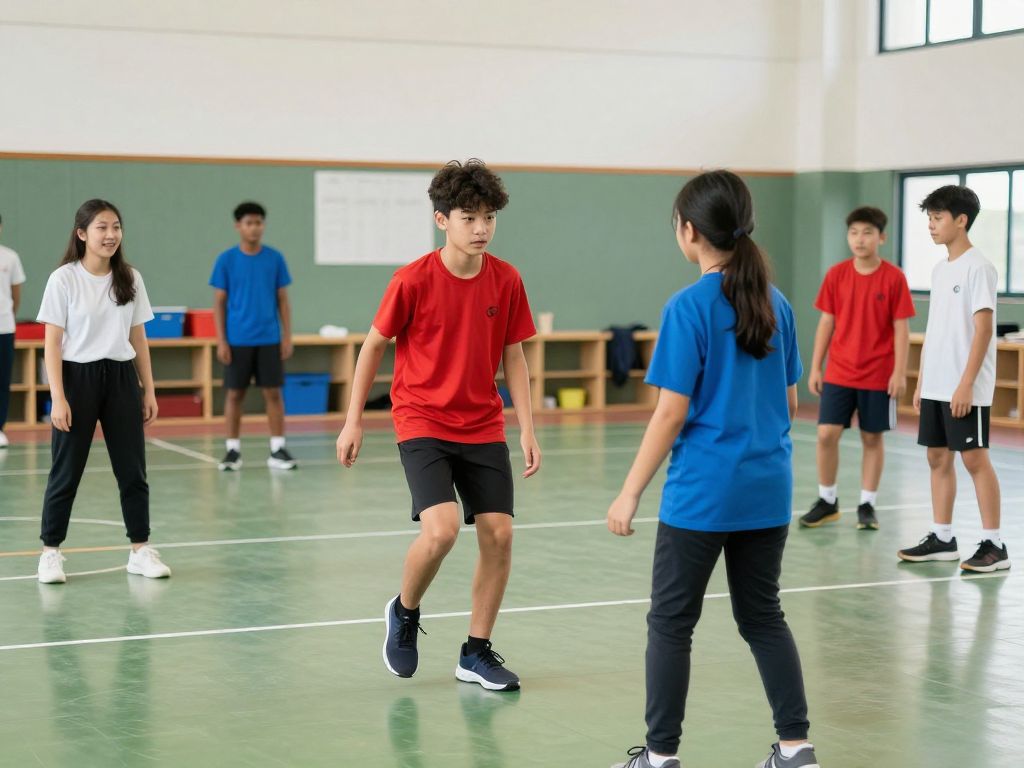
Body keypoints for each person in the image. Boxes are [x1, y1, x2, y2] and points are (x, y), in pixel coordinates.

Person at [607, 171, 819, 768]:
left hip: (702, 496)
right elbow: (790, 403)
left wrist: (628, 493)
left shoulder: (688, 307)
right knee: (764, 618)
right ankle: (796, 748)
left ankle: (660, 756)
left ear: (689, 231)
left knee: (671, 624)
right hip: (768, 491)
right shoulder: (777, 303)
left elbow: (670, 413)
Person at [336, 159, 541, 691]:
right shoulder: (412, 280)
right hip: (422, 419)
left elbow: (514, 355)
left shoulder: (507, 279)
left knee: (499, 534)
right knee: (443, 529)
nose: (481, 228)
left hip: (482, 423)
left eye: (488, 217)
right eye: (469, 217)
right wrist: (353, 421)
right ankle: (404, 611)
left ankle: (475, 653)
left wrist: (526, 427)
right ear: (442, 220)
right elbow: (373, 347)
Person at [35, 199, 171, 584]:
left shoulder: (130, 278)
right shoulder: (63, 279)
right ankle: (50, 552)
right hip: (77, 379)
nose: (111, 235)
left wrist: (148, 390)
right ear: (82, 234)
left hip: (121, 379)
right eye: (101, 228)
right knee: (66, 471)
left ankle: (140, 550)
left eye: (116, 227)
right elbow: (52, 344)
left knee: (132, 470)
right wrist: (58, 397)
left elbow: (138, 337)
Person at [897, 185, 1008, 573]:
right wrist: (923, 381)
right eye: (929, 218)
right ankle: (943, 538)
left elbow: (983, 330)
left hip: (965, 386)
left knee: (975, 458)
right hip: (936, 384)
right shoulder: (940, 270)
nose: (931, 225)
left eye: (938, 217)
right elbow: (935, 329)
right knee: (936, 457)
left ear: (961, 220)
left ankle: (995, 545)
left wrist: (966, 384)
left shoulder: (980, 267)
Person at [800, 206, 915, 530]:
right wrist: (816, 367)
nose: (859, 239)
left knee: (871, 438)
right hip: (839, 371)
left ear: (881, 237)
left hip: (878, 374)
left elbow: (901, 329)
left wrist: (899, 373)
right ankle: (827, 500)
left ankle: (867, 504)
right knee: (826, 434)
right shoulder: (836, 275)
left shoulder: (894, 277)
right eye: (853, 233)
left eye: (867, 233)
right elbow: (826, 322)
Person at [210, 201, 296, 471]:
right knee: (235, 394)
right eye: (249, 223)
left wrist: (286, 336)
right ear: (238, 226)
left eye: (258, 222)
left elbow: (283, 300)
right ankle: (232, 450)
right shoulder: (226, 260)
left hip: (269, 338)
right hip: (237, 340)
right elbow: (219, 303)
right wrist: (222, 340)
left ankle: (278, 448)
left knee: (273, 393)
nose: (254, 228)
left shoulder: (275, 258)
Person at [0, 212, 27, 448]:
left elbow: (15, 296)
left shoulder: (10, 257)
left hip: (4, 328)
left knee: (2, 379)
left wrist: (8, 315)